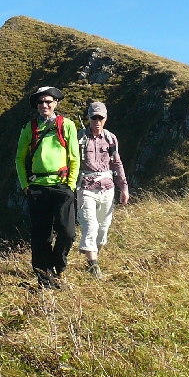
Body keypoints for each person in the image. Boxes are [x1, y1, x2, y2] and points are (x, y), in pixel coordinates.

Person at [14, 86, 80, 288]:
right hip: (38, 188)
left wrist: (70, 185)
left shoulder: (66, 125)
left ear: (56, 103)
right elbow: (19, 158)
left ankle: (59, 263)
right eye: (41, 102)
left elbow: (75, 157)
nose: (45, 105)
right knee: (41, 236)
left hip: (62, 186)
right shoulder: (29, 127)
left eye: (49, 101)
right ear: (37, 105)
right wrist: (26, 186)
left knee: (67, 232)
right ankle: (45, 279)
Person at [77, 101, 129, 280]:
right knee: (90, 225)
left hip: (107, 188)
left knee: (103, 228)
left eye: (100, 118)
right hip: (85, 187)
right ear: (89, 118)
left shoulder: (110, 138)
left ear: (105, 119)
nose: (97, 121)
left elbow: (116, 162)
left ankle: (93, 258)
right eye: (94, 117)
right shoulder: (79, 138)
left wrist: (124, 187)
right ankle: (94, 266)